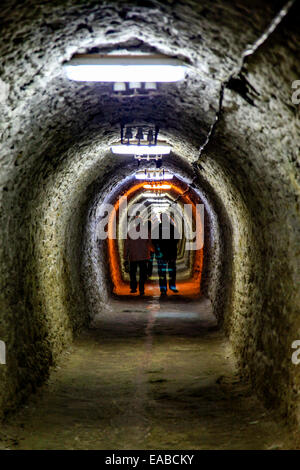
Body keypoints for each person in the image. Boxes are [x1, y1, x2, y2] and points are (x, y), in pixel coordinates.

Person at [124, 217, 153, 296]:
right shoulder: (146, 232)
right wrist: (151, 252)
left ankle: (133, 288)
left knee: (132, 272)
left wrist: (125, 257)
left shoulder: (130, 232)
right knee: (143, 273)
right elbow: (150, 243)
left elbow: (126, 245)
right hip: (144, 256)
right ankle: (141, 289)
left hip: (133, 256)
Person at [153, 213, 180, 296]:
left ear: (161, 219)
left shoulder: (157, 228)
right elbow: (177, 239)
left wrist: (158, 249)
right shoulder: (172, 228)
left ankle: (163, 289)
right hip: (171, 253)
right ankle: (172, 286)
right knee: (172, 271)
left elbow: (154, 241)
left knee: (162, 272)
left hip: (161, 254)